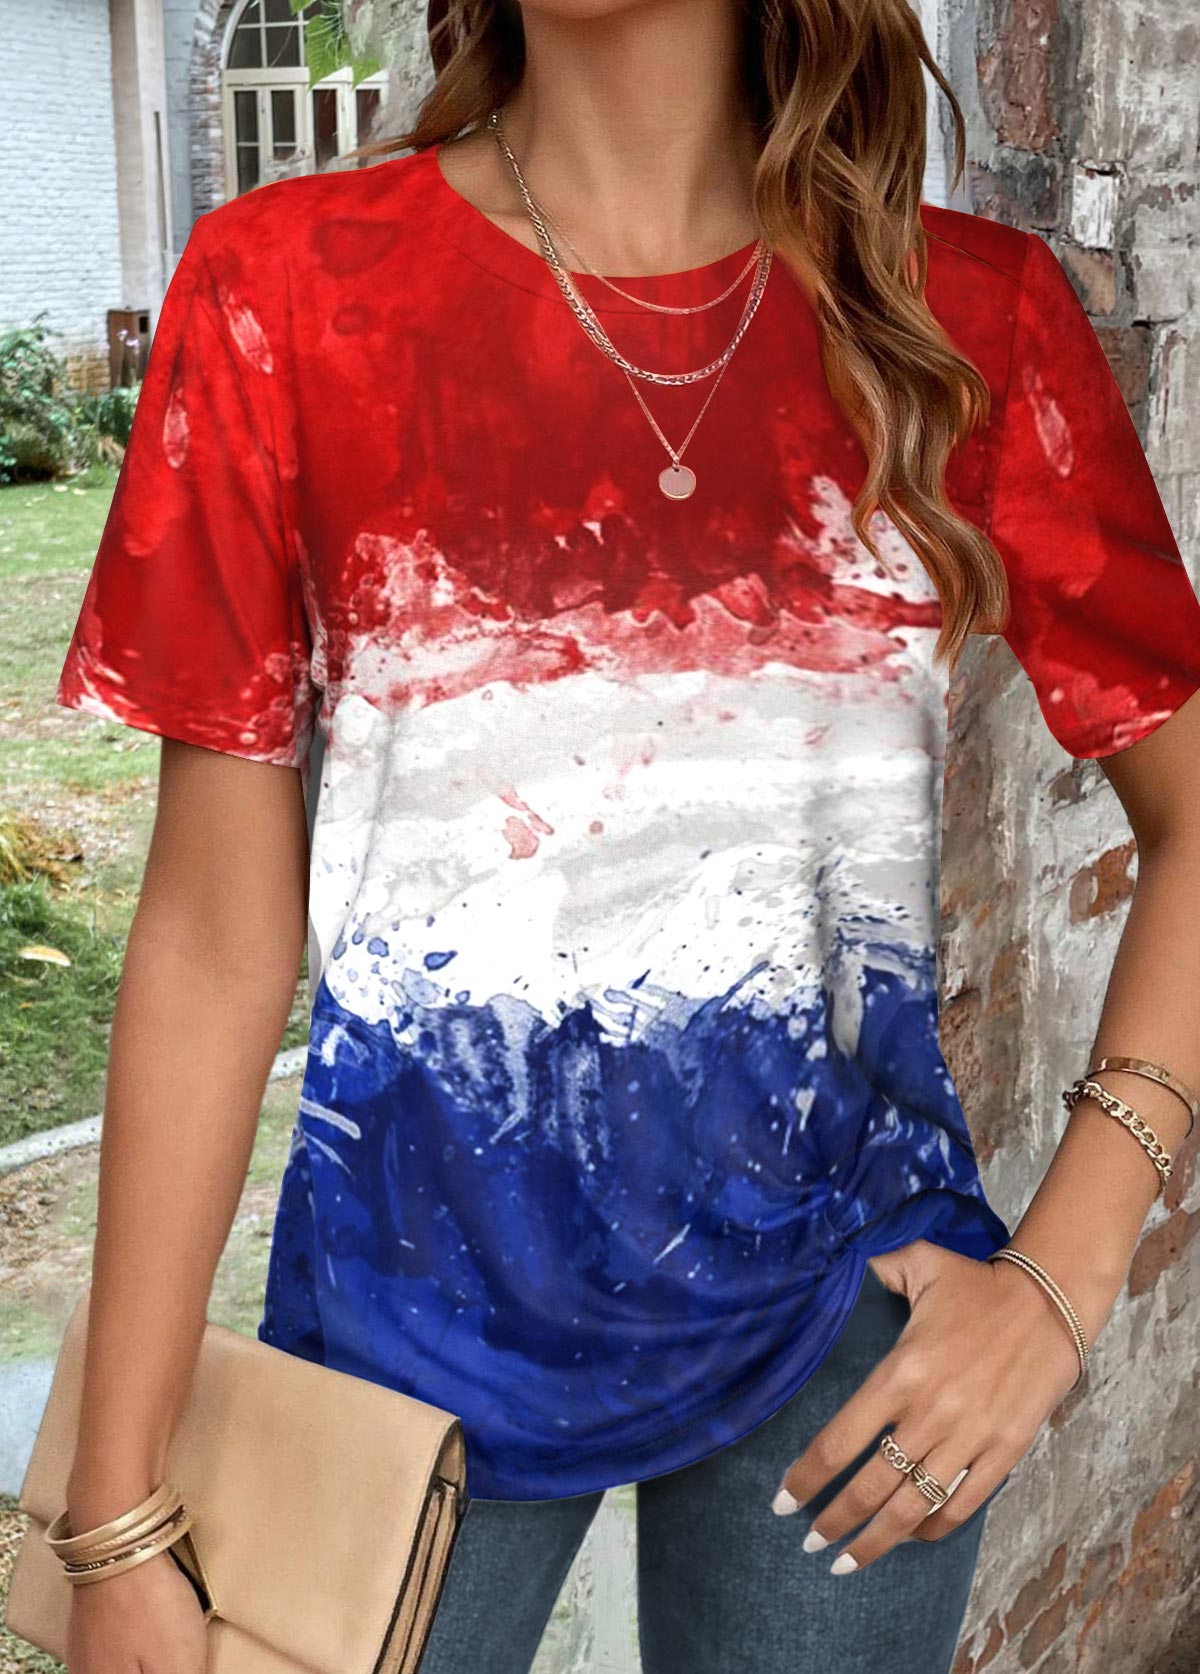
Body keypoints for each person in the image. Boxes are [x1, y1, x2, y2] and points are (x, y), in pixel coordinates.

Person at [48, 0, 1200, 1669]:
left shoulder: (962, 319)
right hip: (408, 1323)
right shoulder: (289, 293)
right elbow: (215, 936)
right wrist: (114, 1512)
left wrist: (1069, 1268)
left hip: (849, 1312)